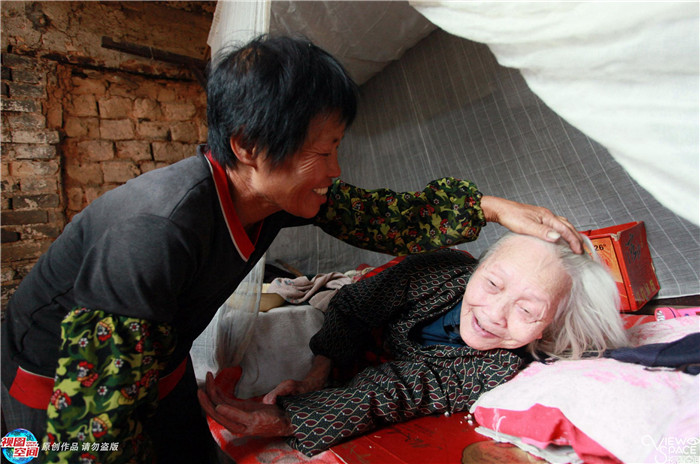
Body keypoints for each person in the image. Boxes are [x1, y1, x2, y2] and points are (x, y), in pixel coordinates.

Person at [1, 35, 582, 463]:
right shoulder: (153, 231)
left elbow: (383, 218)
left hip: (158, 371)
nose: (334, 170)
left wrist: (489, 206)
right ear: (250, 145)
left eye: (337, 148)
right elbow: (96, 412)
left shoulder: (278, 193)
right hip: (61, 393)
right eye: (323, 150)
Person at [199, 233, 629, 456]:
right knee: (264, 334)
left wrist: (291, 419)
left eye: (527, 310)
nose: (494, 313)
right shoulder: (440, 268)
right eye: (493, 283)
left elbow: (400, 388)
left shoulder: (500, 365)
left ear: (548, 327)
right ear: (478, 268)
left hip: (374, 375)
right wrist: (319, 372)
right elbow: (354, 304)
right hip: (349, 338)